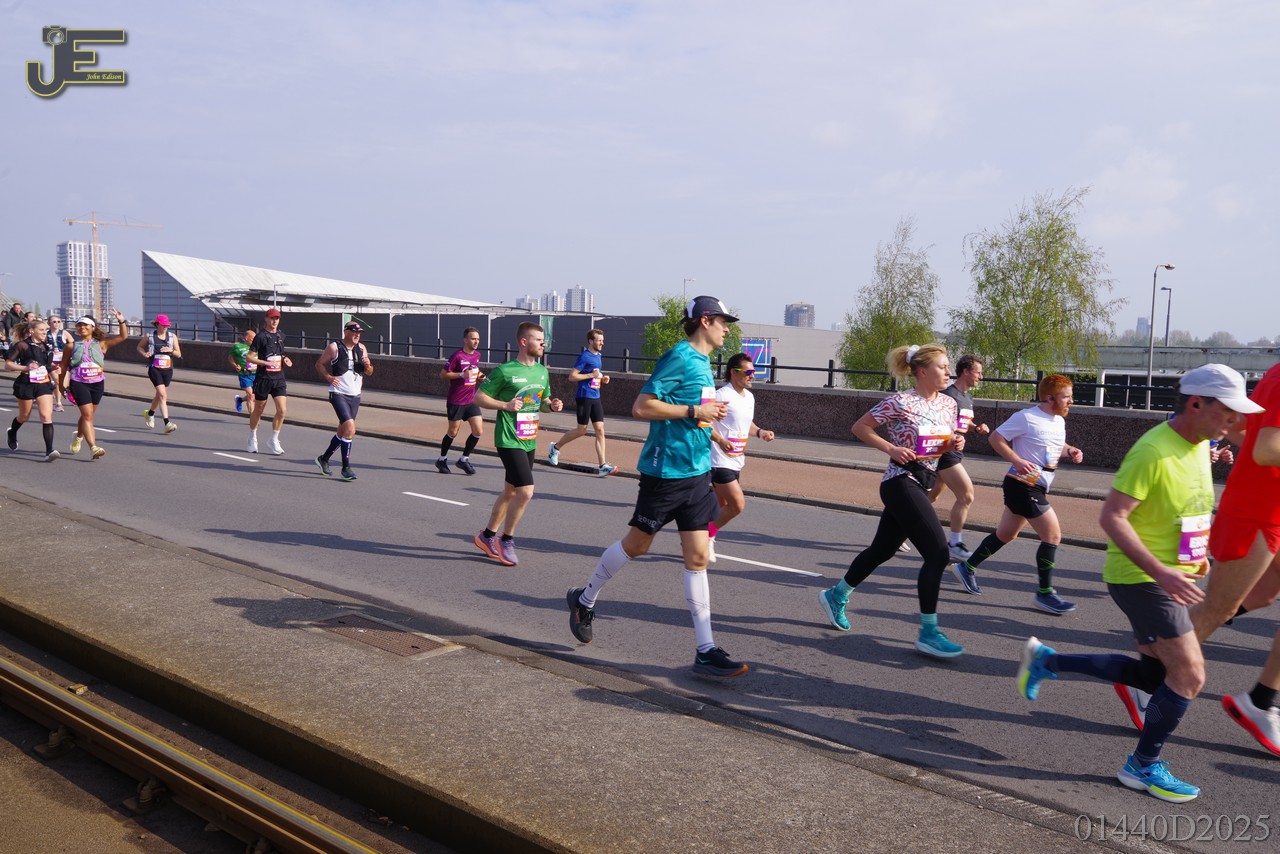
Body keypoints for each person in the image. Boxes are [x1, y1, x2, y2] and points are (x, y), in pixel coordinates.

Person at [1015, 364, 1256, 803]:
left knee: (1152, 674)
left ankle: (1048, 661)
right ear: (1196, 403)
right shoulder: (1153, 450)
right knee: (1190, 675)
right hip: (1142, 577)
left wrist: (1195, 557)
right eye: (1228, 411)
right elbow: (1112, 517)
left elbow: (1187, 510)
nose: (1234, 421)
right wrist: (1162, 571)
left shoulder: (1200, 445)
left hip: (1170, 576)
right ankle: (1142, 766)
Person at [565, 297, 747, 677]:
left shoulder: (704, 363)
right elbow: (642, 406)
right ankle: (585, 599)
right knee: (637, 545)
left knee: (698, 558)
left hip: (697, 474)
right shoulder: (680, 357)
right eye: (723, 322)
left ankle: (705, 649)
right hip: (665, 474)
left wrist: (713, 432)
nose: (727, 329)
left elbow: (696, 414)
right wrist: (695, 411)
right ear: (705, 321)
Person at [814, 343, 966, 659]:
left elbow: (938, 445)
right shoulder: (901, 401)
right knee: (938, 554)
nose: (949, 372)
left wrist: (954, 442)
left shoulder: (949, 404)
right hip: (900, 481)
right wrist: (891, 448)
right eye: (942, 367)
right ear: (922, 371)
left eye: (948, 366)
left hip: (924, 481)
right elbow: (860, 427)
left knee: (882, 550)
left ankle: (836, 595)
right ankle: (929, 633)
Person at [1187, 362, 1280, 756]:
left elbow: (1244, 429)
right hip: (1256, 512)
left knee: (1260, 596)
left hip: (1269, 507)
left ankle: (1261, 700)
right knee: (1217, 608)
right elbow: (1265, 448)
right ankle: (1149, 675)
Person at [948, 374, 1083, 611]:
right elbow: (996, 438)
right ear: (1050, 398)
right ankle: (1044, 593)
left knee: (1006, 534)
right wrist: (1017, 460)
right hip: (1022, 484)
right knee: (1052, 536)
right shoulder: (1026, 417)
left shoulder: (1058, 421)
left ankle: (966, 568)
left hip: (1037, 485)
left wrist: (1071, 450)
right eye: (1066, 397)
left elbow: (1054, 446)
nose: (1071, 401)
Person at [471, 322, 563, 566]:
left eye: (543, 340)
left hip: (529, 438)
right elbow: (479, 397)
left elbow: (542, 401)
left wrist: (552, 405)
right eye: (538, 340)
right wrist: (505, 405)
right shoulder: (505, 371)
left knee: (510, 491)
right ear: (524, 342)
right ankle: (506, 540)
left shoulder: (542, 372)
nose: (543, 344)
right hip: (508, 438)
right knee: (526, 491)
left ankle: (486, 536)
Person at [706, 352, 775, 563]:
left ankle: (704, 539)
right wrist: (720, 440)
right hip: (718, 460)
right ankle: (704, 534)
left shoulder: (749, 397)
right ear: (734, 373)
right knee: (737, 505)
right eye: (748, 372)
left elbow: (746, 424)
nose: (752, 375)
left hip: (736, 460)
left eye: (754, 371)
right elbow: (703, 423)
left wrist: (760, 432)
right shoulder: (721, 395)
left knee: (720, 506)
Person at [928, 354, 991, 568]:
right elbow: (936, 423)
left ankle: (898, 526)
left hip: (954, 451)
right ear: (965, 371)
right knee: (966, 495)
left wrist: (976, 428)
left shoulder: (967, 398)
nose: (981, 377)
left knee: (931, 497)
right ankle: (954, 543)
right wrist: (950, 438)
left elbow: (963, 422)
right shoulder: (947, 395)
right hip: (946, 453)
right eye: (978, 372)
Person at [56, 309, 129, 460]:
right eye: (79, 325)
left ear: (92, 327)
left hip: (97, 383)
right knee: (88, 415)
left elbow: (123, 336)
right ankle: (93, 448)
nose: (82, 327)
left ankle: (78, 436)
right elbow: (63, 366)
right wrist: (62, 386)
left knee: (87, 415)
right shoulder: (71, 346)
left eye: (85, 325)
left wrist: (121, 320)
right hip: (78, 383)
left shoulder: (102, 344)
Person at [547, 328, 618, 477]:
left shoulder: (598, 356)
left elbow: (595, 375)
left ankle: (602, 466)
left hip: (595, 396)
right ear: (591, 341)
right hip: (584, 396)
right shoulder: (584, 356)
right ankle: (555, 447)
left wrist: (603, 379)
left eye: (603, 340)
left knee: (600, 430)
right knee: (581, 430)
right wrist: (591, 375)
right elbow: (572, 377)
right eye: (599, 340)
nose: (602, 343)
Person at [314, 321, 373, 481]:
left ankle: (324, 459)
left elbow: (370, 372)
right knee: (350, 428)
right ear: (345, 331)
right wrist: (328, 377)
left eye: (359, 332)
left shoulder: (362, 348)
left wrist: (368, 366)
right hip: (338, 393)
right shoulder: (334, 347)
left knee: (343, 432)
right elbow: (319, 364)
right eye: (354, 331)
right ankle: (345, 467)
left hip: (355, 395)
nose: (357, 335)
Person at [5, 319, 60, 461]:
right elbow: (8, 365)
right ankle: (12, 432)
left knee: (46, 416)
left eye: (46, 330)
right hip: (26, 383)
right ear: (32, 331)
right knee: (24, 416)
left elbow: (45, 365)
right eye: (41, 330)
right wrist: (25, 367)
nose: (45, 332)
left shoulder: (46, 347)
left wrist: (54, 368)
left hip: (43, 383)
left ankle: (49, 451)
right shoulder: (22, 345)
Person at [435, 327, 485, 475]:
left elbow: (474, 370)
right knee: (453, 432)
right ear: (465, 340)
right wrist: (461, 375)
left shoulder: (477, 355)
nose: (476, 342)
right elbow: (443, 375)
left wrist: (480, 376)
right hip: (456, 400)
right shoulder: (457, 356)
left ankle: (464, 459)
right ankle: (442, 459)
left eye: (478, 339)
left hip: (471, 400)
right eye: (473, 339)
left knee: (478, 431)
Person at [245, 308, 293, 455]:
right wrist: (266, 363)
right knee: (259, 410)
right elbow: (249, 357)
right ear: (266, 319)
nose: (274, 321)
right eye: (272, 318)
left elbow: (280, 353)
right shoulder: (260, 337)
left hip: (279, 378)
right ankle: (252, 437)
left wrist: (285, 358)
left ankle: (274, 439)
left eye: (277, 318)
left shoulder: (280, 335)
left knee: (282, 410)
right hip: (263, 378)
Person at [138, 313, 182, 434]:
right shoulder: (150, 336)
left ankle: (150, 413)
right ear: (157, 325)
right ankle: (167, 423)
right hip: (154, 369)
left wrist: (171, 350)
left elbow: (179, 354)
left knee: (159, 395)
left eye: (167, 325)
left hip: (167, 370)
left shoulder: (172, 337)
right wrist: (145, 354)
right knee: (163, 395)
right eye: (163, 325)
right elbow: (139, 347)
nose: (166, 327)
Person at [229, 328, 256, 414]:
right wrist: (235, 365)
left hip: (256, 374)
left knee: (255, 395)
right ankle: (253, 418)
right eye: (253, 338)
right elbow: (230, 358)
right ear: (246, 338)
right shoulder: (238, 347)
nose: (255, 340)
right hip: (244, 374)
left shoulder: (257, 347)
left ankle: (239, 400)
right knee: (250, 396)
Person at [46, 316, 69, 412]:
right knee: (57, 381)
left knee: (63, 385)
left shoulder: (64, 333)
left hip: (63, 360)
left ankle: (53, 389)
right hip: (52, 361)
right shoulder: (46, 334)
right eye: (54, 321)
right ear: (49, 323)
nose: (56, 323)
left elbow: (72, 344)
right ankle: (58, 403)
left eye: (59, 321)